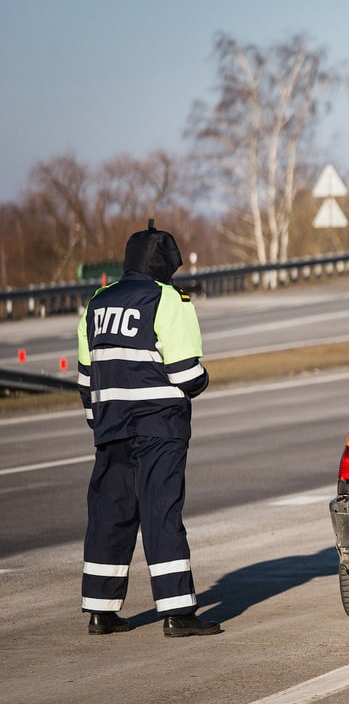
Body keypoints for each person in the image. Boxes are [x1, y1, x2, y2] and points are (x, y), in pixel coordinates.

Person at [77, 220, 221, 637]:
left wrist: (99, 421)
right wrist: (202, 381)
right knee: (161, 512)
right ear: (165, 264)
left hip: (110, 429)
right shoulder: (168, 300)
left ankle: (100, 612)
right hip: (159, 428)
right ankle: (178, 613)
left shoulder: (97, 302)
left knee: (110, 514)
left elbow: (87, 379)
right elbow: (186, 372)